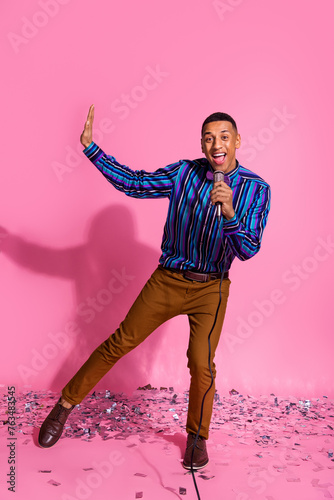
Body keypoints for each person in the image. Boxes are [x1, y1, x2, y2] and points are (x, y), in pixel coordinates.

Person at [38, 105, 271, 470]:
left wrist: (229, 214)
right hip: (167, 280)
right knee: (120, 342)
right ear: (202, 144)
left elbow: (248, 250)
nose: (216, 144)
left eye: (224, 136)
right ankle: (63, 407)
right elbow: (135, 183)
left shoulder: (257, 189)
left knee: (201, 363)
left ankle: (197, 437)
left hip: (212, 288)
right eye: (209, 138)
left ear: (237, 141)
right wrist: (91, 148)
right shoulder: (183, 173)